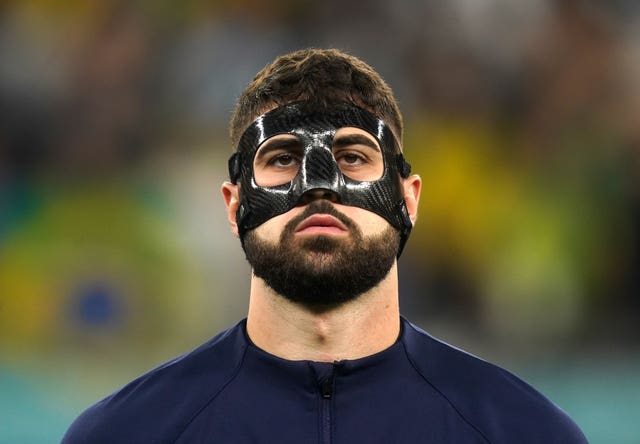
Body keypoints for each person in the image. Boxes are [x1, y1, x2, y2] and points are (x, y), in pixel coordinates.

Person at [62, 48, 588, 443]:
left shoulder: (525, 434)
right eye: (283, 158)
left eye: (354, 157)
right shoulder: (124, 435)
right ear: (233, 204)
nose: (319, 184)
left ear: (409, 198)